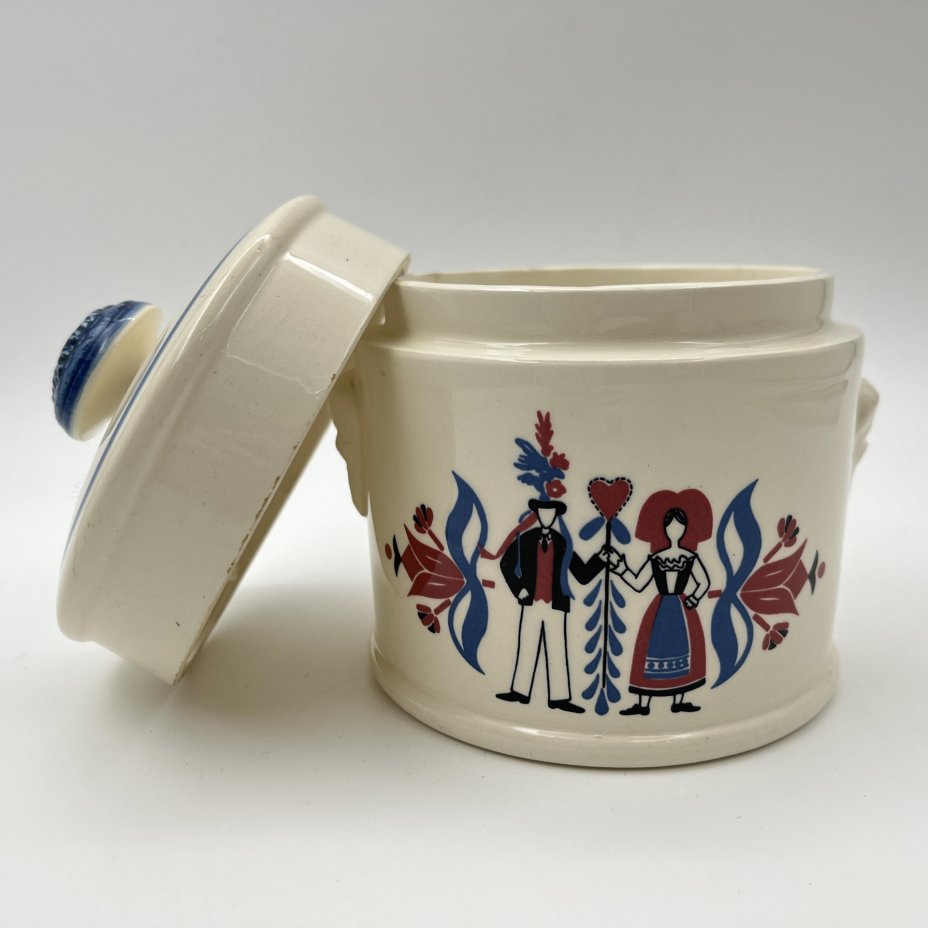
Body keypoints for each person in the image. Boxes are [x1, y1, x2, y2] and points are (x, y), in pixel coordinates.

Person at [496, 498, 609, 713]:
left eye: (551, 513)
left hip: (556, 603)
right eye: (543, 512)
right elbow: (506, 563)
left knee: (557, 649)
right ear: (537, 514)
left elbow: (581, 574)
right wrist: (519, 588)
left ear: (556, 516)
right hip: (531, 602)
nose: (547, 517)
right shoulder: (526, 539)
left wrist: (600, 559)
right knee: (527, 645)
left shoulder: (562, 542)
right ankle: (519, 692)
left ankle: (559, 698)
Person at [614, 505, 711, 715]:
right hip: (659, 609)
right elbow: (638, 583)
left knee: (682, 650)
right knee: (651, 651)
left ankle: (679, 701)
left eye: (679, 526)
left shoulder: (689, 557)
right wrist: (621, 569)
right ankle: (643, 704)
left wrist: (694, 598)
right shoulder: (656, 558)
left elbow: (703, 582)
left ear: (685, 529)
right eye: (671, 526)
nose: (675, 530)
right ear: (665, 529)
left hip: (681, 609)